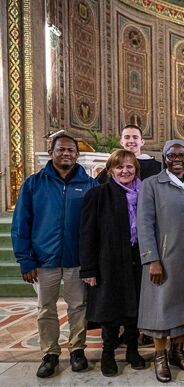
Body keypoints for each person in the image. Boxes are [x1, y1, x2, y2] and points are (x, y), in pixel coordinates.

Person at [11, 134, 98, 377]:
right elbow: (21, 223)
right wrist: (25, 259)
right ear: (51, 153)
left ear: (77, 155)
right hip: (43, 259)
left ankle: (77, 349)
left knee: (78, 306)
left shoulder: (89, 185)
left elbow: (96, 226)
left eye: (71, 150)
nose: (66, 154)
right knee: (45, 308)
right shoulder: (34, 183)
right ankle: (50, 353)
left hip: (76, 259)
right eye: (61, 150)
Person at [137, 139, 184, 383]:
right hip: (165, 258)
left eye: (182, 155)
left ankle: (177, 351)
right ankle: (159, 356)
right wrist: (152, 259)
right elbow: (144, 224)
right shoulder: (152, 184)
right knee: (161, 308)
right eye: (171, 155)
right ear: (164, 157)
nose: (177, 160)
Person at [79, 149, 146, 377]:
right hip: (109, 261)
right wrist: (88, 268)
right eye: (119, 167)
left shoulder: (145, 194)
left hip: (137, 260)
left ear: (136, 170)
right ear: (110, 171)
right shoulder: (98, 195)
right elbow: (87, 234)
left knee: (135, 307)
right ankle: (108, 353)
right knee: (110, 309)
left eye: (129, 167)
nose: (125, 171)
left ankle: (132, 350)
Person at [96, 125, 161, 184]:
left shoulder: (157, 167)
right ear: (121, 142)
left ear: (142, 142)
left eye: (135, 137)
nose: (131, 141)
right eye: (127, 137)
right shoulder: (113, 165)